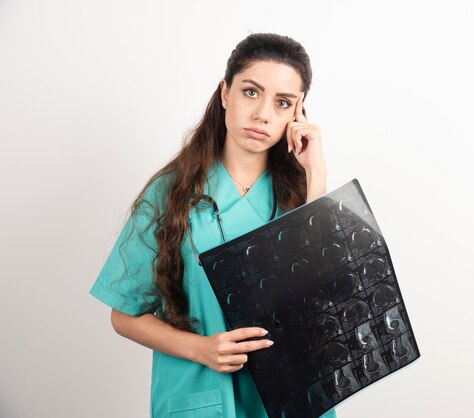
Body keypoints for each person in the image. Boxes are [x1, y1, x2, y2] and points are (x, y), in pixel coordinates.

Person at [90, 33, 337, 418]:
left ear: (296, 113)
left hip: (293, 399)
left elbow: (325, 305)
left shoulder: (303, 196)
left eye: (283, 102)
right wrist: (201, 349)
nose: (263, 114)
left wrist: (317, 172)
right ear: (225, 93)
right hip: (201, 397)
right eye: (251, 92)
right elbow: (123, 315)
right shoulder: (170, 192)